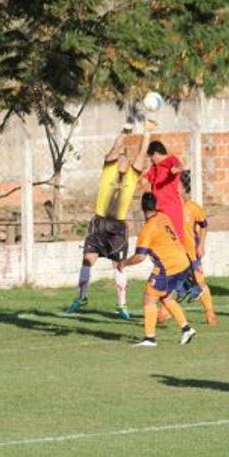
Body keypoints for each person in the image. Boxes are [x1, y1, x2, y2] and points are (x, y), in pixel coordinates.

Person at [66, 124, 153, 319]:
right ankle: (81, 298)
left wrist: (147, 132)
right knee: (87, 260)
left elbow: (141, 153)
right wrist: (124, 132)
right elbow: (114, 149)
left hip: (118, 227)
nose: (122, 158)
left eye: (125, 157)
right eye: (120, 156)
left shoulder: (132, 175)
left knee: (119, 265)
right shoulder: (108, 170)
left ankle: (122, 306)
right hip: (99, 222)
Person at [117, 192, 196, 347]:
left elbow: (140, 257)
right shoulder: (163, 217)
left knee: (149, 297)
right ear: (156, 205)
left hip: (168, 267)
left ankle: (149, 338)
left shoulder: (148, 229)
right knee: (166, 298)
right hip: (183, 262)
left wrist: (123, 263)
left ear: (142, 208)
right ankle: (186, 329)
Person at [161, 170, 215, 325]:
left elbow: (204, 225)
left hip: (191, 253)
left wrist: (202, 245)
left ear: (184, 188)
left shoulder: (193, 208)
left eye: (177, 184)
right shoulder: (169, 207)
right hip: (174, 254)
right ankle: (165, 312)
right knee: (170, 282)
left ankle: (210, 312)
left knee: (199, 281)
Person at [143, 140, 184, 241]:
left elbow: (180, 166)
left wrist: (176, 169)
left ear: (156, 154)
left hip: (171, 208)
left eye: (151, 157)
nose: (151, 160)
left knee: (175, 238)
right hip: (157, 209)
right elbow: (145, 179)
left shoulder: (171, 160)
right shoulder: (155, 167)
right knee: (161, 238)